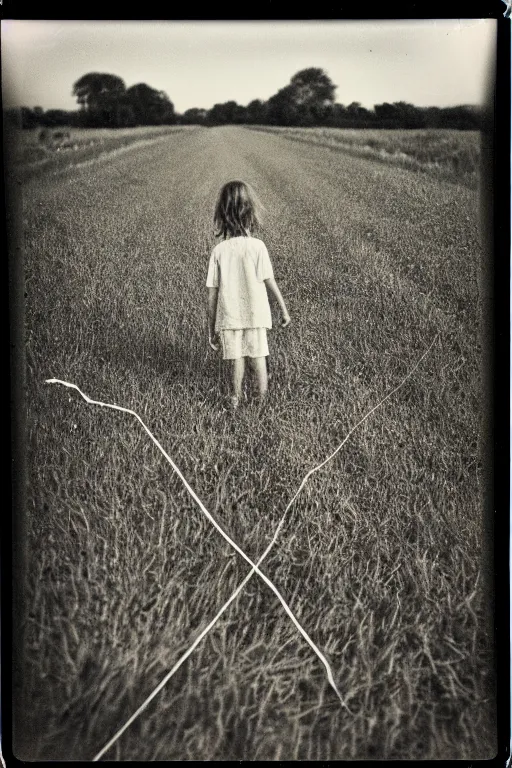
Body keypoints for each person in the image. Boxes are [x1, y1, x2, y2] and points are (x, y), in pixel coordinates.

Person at [206, 180, 290, 410]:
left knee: (237, 358)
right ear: (249, 211)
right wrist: (283, 310)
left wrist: (211, 327)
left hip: (230, 316)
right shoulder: (258, 247)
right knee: (258, 356)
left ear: (222, 213)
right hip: (256, 313)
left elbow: (211, 296)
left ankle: (235, 397)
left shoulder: (219, 251)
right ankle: (262, 400)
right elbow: (269, 281)